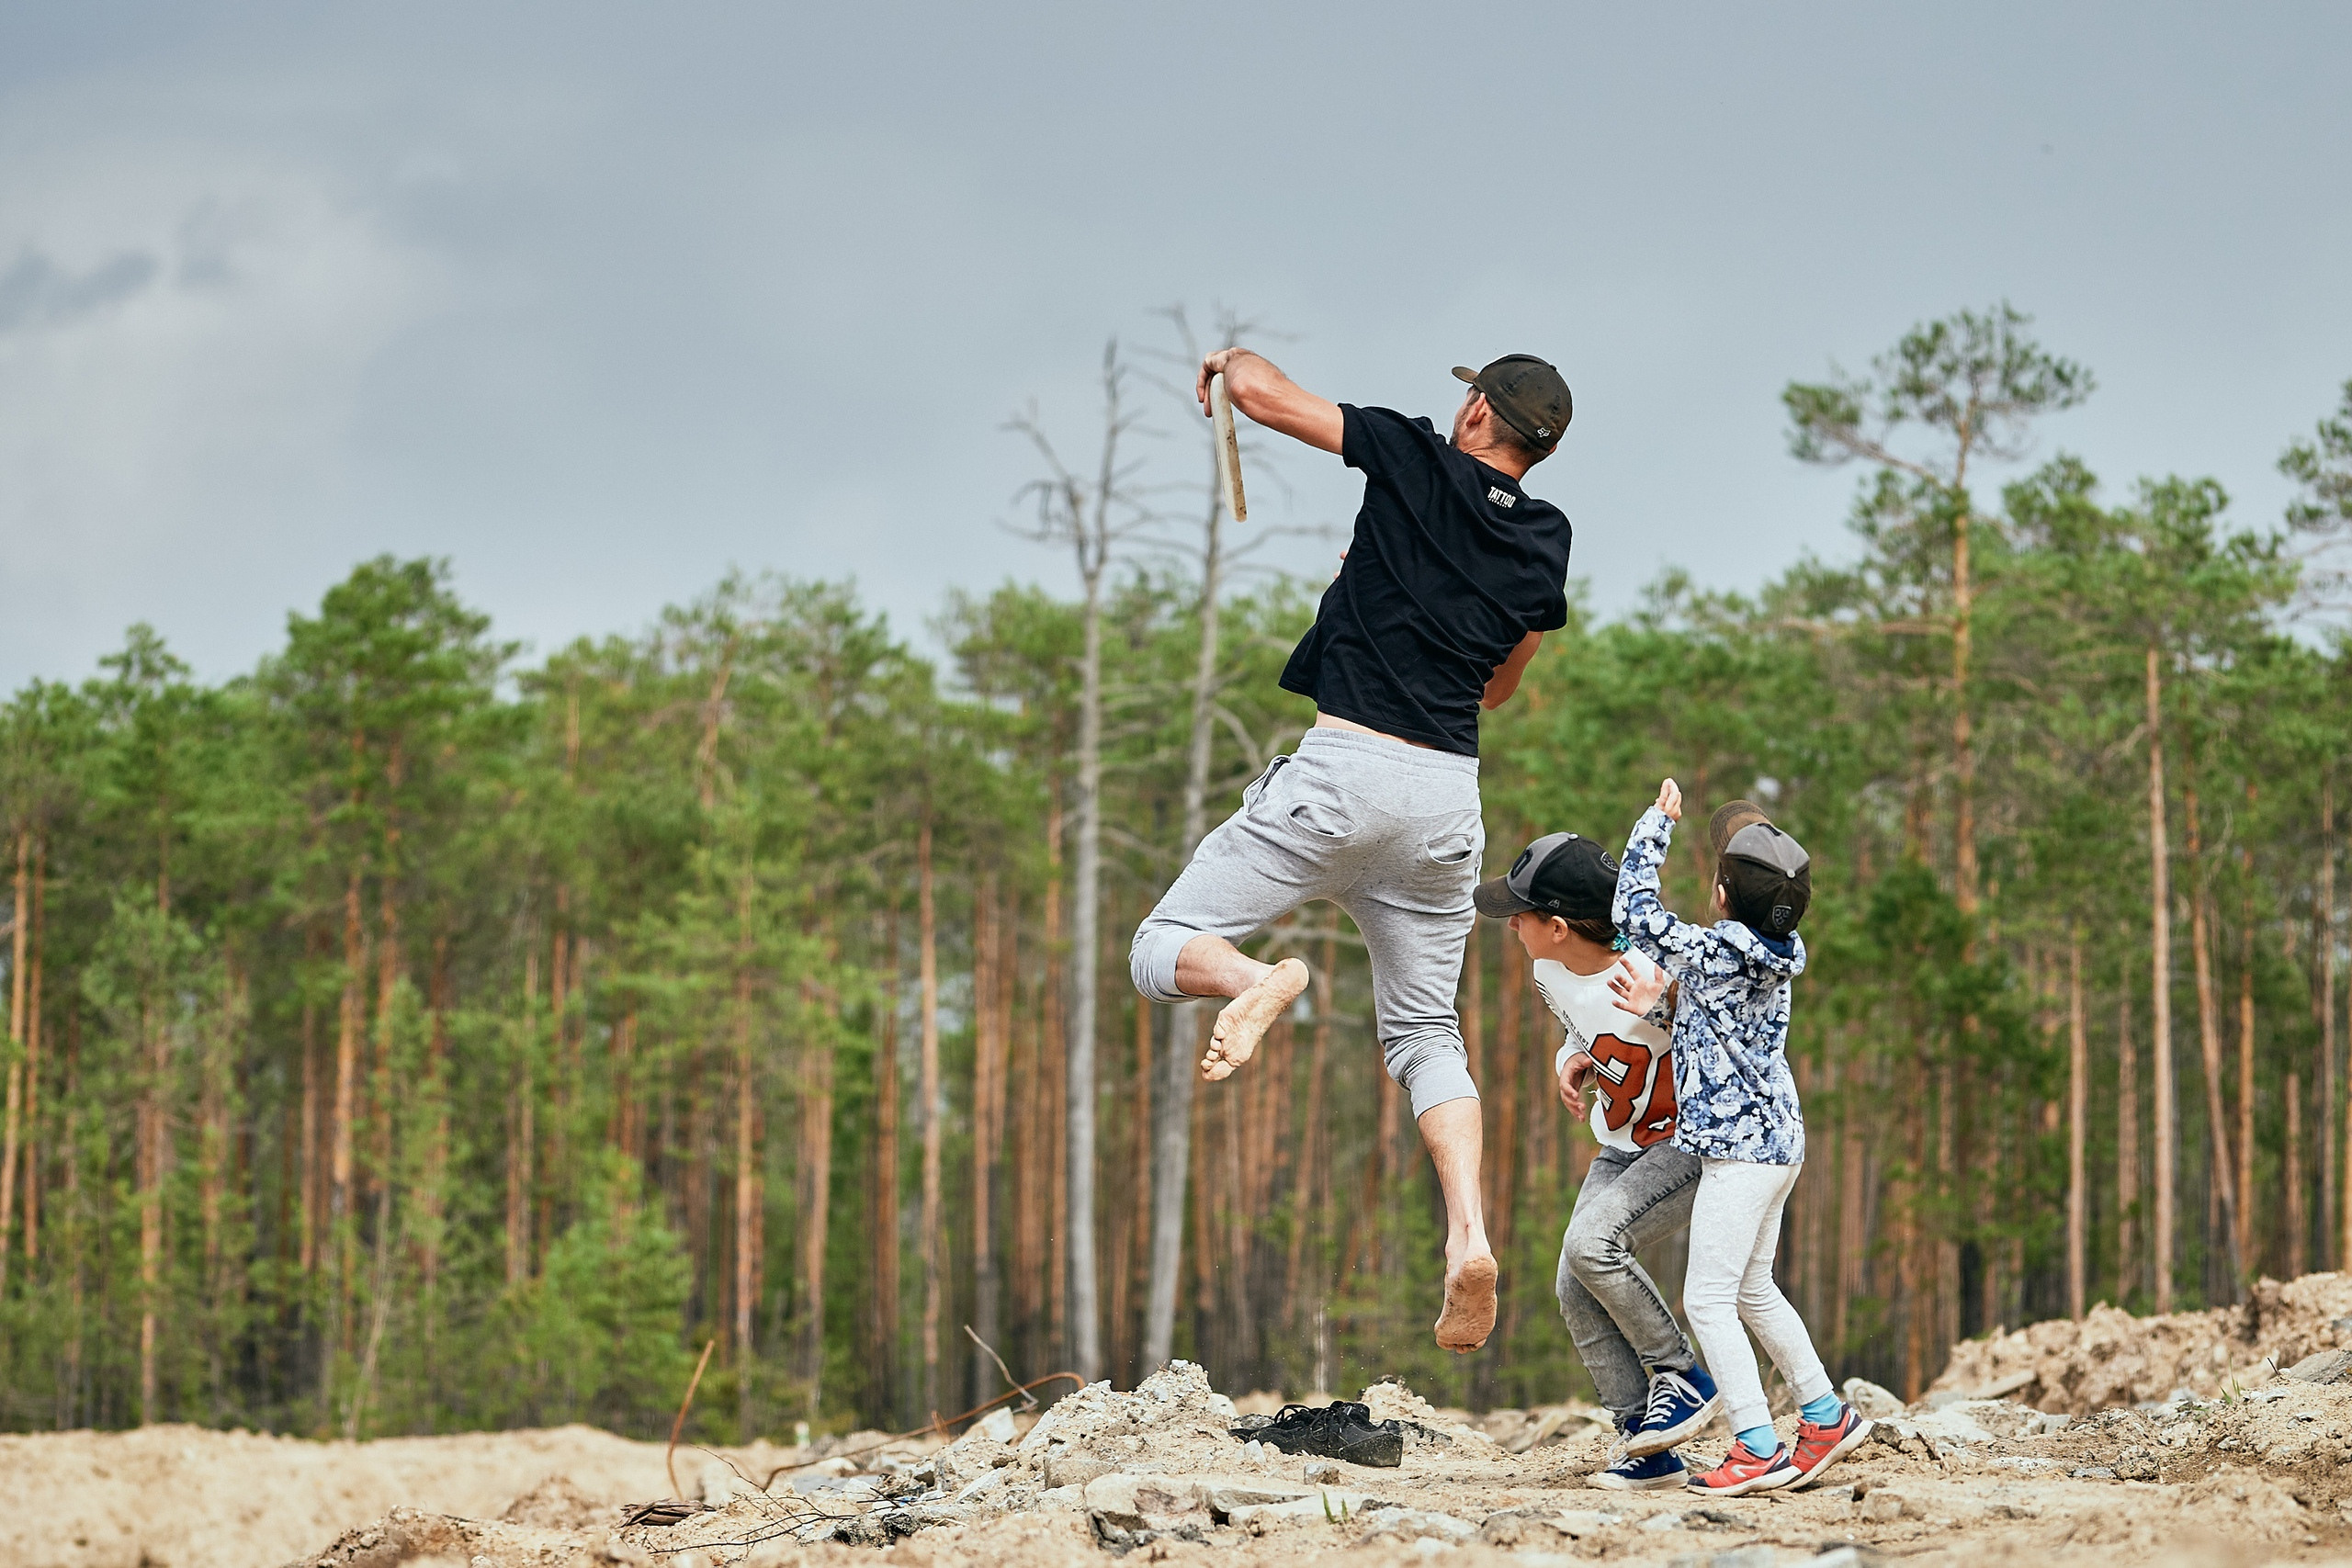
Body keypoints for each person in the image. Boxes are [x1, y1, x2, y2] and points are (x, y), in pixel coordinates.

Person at [1129, 347, 1576, 1351]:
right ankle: (1467, 1232)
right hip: (1443, 802)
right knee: (1424, 1037)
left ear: (1473, 414)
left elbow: (1259, 393)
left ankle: (1250, 975)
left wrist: (1228, 358)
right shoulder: (1546, 540)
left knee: (1161, 945)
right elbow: (1497, 687)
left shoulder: (1412, 457)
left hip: (1345, 770)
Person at [1610, 784, 1871, 1495]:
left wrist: (1654, 825)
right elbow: (1722, 1027)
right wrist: (1663, 1003)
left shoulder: (1716, 946)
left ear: (1723, 894)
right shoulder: (1775, 951)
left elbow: (1632, 913)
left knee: (1708, 1300)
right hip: (1779, 1140)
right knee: (1753, 1289)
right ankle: (1823, 1413)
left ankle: (1755, 1443)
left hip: (1738, 1152)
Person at [1476, 830, 1720, 1490]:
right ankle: (1648, 1443)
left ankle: (1684, 1376)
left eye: (1518, 914)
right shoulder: (1545, 969)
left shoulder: (1646, 967)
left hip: (1688, 1139)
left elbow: (1725, 1031)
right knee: (1572, 1282)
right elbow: (1578, 1028)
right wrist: (1572, 1061)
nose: (1511, 923)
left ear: (1556, 925)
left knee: (1593, 1244)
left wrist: (1668, 1003)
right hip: (1621, 1140)